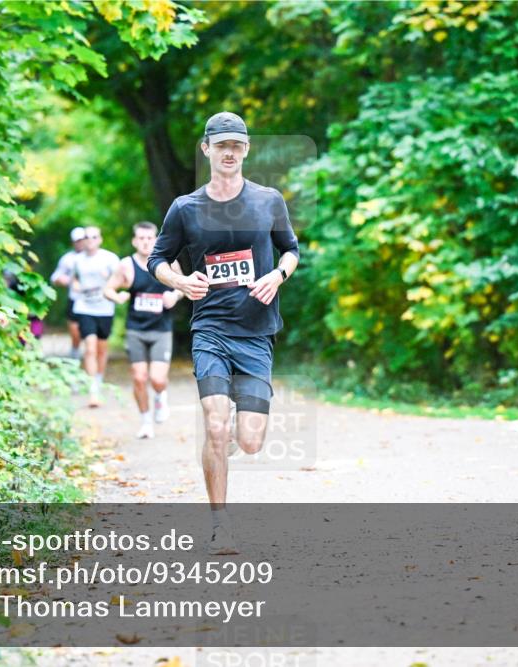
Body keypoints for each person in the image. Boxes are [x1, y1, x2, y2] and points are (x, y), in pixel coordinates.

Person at [148, 112, 299, 554]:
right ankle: (221, 525)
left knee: (249, 442)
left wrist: (278, 275)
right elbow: (158, 258)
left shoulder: (269, 200)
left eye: (237, 145)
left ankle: (231, 441)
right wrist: (180, 282)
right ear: (206, 149)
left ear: (246, 150)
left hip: (255, 333)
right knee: (216, 425)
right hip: (209, 329)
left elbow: (290, 249)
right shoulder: (185, 208)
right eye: (222, 145)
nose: (229, 152)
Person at [103, 222, 184, 439]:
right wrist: (117, 296)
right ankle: (146, 421)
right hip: (136, 329)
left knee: (157, 379)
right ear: (134, 241)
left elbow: (182, 286)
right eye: (141, 238)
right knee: (139, 378)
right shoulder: (126, 265)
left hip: (161, 330)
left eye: (149, 237)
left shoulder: (168, 262)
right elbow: (108, 289)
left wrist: (174, 296)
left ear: (156, 240)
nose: (145, 241)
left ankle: (160, 397)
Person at [71, 226, 120, 407]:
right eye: (86, 237)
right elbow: (74, 279)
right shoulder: (77, 260)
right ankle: (93, 389)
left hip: (105, 308)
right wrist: (76, 286)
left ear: (100, 239)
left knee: (101, 349)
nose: (90, 240)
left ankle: (98, 380)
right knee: (89, 347)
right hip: (84, 307)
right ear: (83, 240)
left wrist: (110, 279)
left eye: (94, 237)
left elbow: (121, 279)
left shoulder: (110, 259)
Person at [50, 227, 87, 358]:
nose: (80, 243)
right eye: (77, 241)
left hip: (93, 301)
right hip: (75, 299)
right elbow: (55, 278)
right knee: (75, 332)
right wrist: (68, 281)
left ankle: (89, 358)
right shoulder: (68, 259)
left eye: (83, 240)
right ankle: (75, 354)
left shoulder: (96, 256)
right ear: (73, 242)